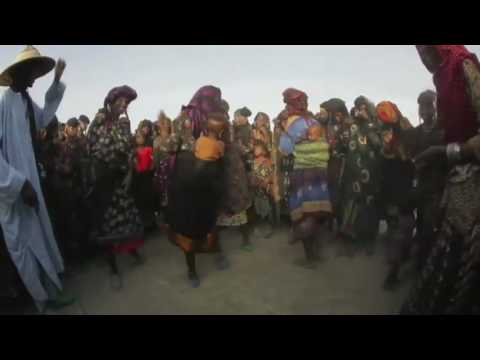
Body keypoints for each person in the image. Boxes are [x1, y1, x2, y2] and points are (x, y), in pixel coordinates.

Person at [401, 45, 480, 314]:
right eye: (419, 52)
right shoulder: (443, 77)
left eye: (427, 49)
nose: (424, 58)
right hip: (456, 186)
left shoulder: (464, 66)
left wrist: (445, 152)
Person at [0, 45, 74, 312]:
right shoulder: (3, 103)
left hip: (30, 184)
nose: (34, 79)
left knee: (40, 237)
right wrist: (18, 184)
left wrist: (55, 82)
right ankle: (41, 300)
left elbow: (44, 118)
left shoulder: (25, 103)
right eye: (32, 72)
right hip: (10, 192)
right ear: (19, 72)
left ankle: (50, 292)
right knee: (23, 248)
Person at [87, 85, 145, 290]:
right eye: (120, 101)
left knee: (125, 219)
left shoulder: (124, 124)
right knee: (107, 226)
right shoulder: (101, 118)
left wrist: (129, 172)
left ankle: (132, 252)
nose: (124, 105)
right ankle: (113, 269)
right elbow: (91, 145)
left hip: (120, 180)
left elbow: (128, 149)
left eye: (127, 103)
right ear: (111, 101)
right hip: (103, 181)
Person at [167, 112, 229, 288]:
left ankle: (210, 259)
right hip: (190, 192)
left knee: (205, 226)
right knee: (194, 230)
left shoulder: (200, 142)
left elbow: (217, 169)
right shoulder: (182, 146)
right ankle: (194, 269)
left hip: (203, 191)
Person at [278, 88, 333, 268]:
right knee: (316, 213)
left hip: (303, 173)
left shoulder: (291, 122)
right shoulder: (314, 120)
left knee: (304, 214)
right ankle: (314, 253)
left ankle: (308, 253)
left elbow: (284, 149)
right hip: (321, 172)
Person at [395, 90, 447, 271]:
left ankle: (420, 267)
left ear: (436, 106)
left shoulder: (444, 132)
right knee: (404, 229)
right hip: (415, 187)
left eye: (429, 104)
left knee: (427, 231)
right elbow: (404, 156)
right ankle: (397, 266)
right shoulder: (413, 133)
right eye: (421, 105)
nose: (425, 109)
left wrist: (435, 152)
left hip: (435, 188)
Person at [375, 102, 416, 290]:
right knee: (399, 228)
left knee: (402, 226)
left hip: (404, 184)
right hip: (394, 185)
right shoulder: (387, 131)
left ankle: (399, 262)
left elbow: (410, 158)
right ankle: (393, 271)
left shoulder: (405, 131)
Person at [337, 96, 383, 257]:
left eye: (362, 107)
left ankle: (369, 241)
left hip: (370, 174)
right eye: (357, 107)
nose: (359, 110)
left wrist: (368, 126)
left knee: (369, 208)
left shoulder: (375, 125)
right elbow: (342, 145)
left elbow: (379, 145)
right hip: (352, 174)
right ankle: (351, 241)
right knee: (351, 207)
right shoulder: (351, 125)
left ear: (368, 108)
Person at [51, 117, 90, 268]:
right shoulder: (61, 146)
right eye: (71, 127)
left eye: (75, 127)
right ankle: (77, 257)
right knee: (72, 225)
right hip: (67, 191)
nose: (73, 130)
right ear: (66, 128)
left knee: (81, 221)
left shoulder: (80, 144)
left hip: (79, 187)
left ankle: (85, 253)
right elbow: (63, 168)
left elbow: (76, 166)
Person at [217, 102, 254, 252]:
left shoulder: (239, 130)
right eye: (236, 116)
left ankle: (245, 238)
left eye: (239, 117)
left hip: (237, 169)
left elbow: (246, 149)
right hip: (224, 168)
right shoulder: (224, 126)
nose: (236, 119)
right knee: (225, 202)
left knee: (240, 201)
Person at [152, 111, 176, 223]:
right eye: (162, 123)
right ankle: (167, 218)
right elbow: (156, 158)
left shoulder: (173, 137)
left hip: (174, 169)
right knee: (163, 195)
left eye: (166, 123)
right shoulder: (156, 140)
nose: (165, 125)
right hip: (162, 171)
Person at [131, 130, 156, 232]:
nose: (139, 139)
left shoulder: (149, 149)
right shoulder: (134, 151)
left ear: (144, 138)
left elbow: (153, 162)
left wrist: (151, 171)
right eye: (137, 137)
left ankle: (151, 223)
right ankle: (142, 224)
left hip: (147, 177)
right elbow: (134, 165)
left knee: (148, 200)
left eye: (140, 137)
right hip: (138, 178)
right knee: (140, 201)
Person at [250, 142, 275, 238]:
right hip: (257, 189)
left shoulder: (267, 161)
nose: (255, 150)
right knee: (258, 209)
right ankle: (263, 227)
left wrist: (267, 182)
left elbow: (271, 174)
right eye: (255, 149)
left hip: (265, 189)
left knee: (267, 208)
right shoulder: (254, 162)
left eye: (257, 149)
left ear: (263, 151)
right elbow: (253, 175)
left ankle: (270, 228)